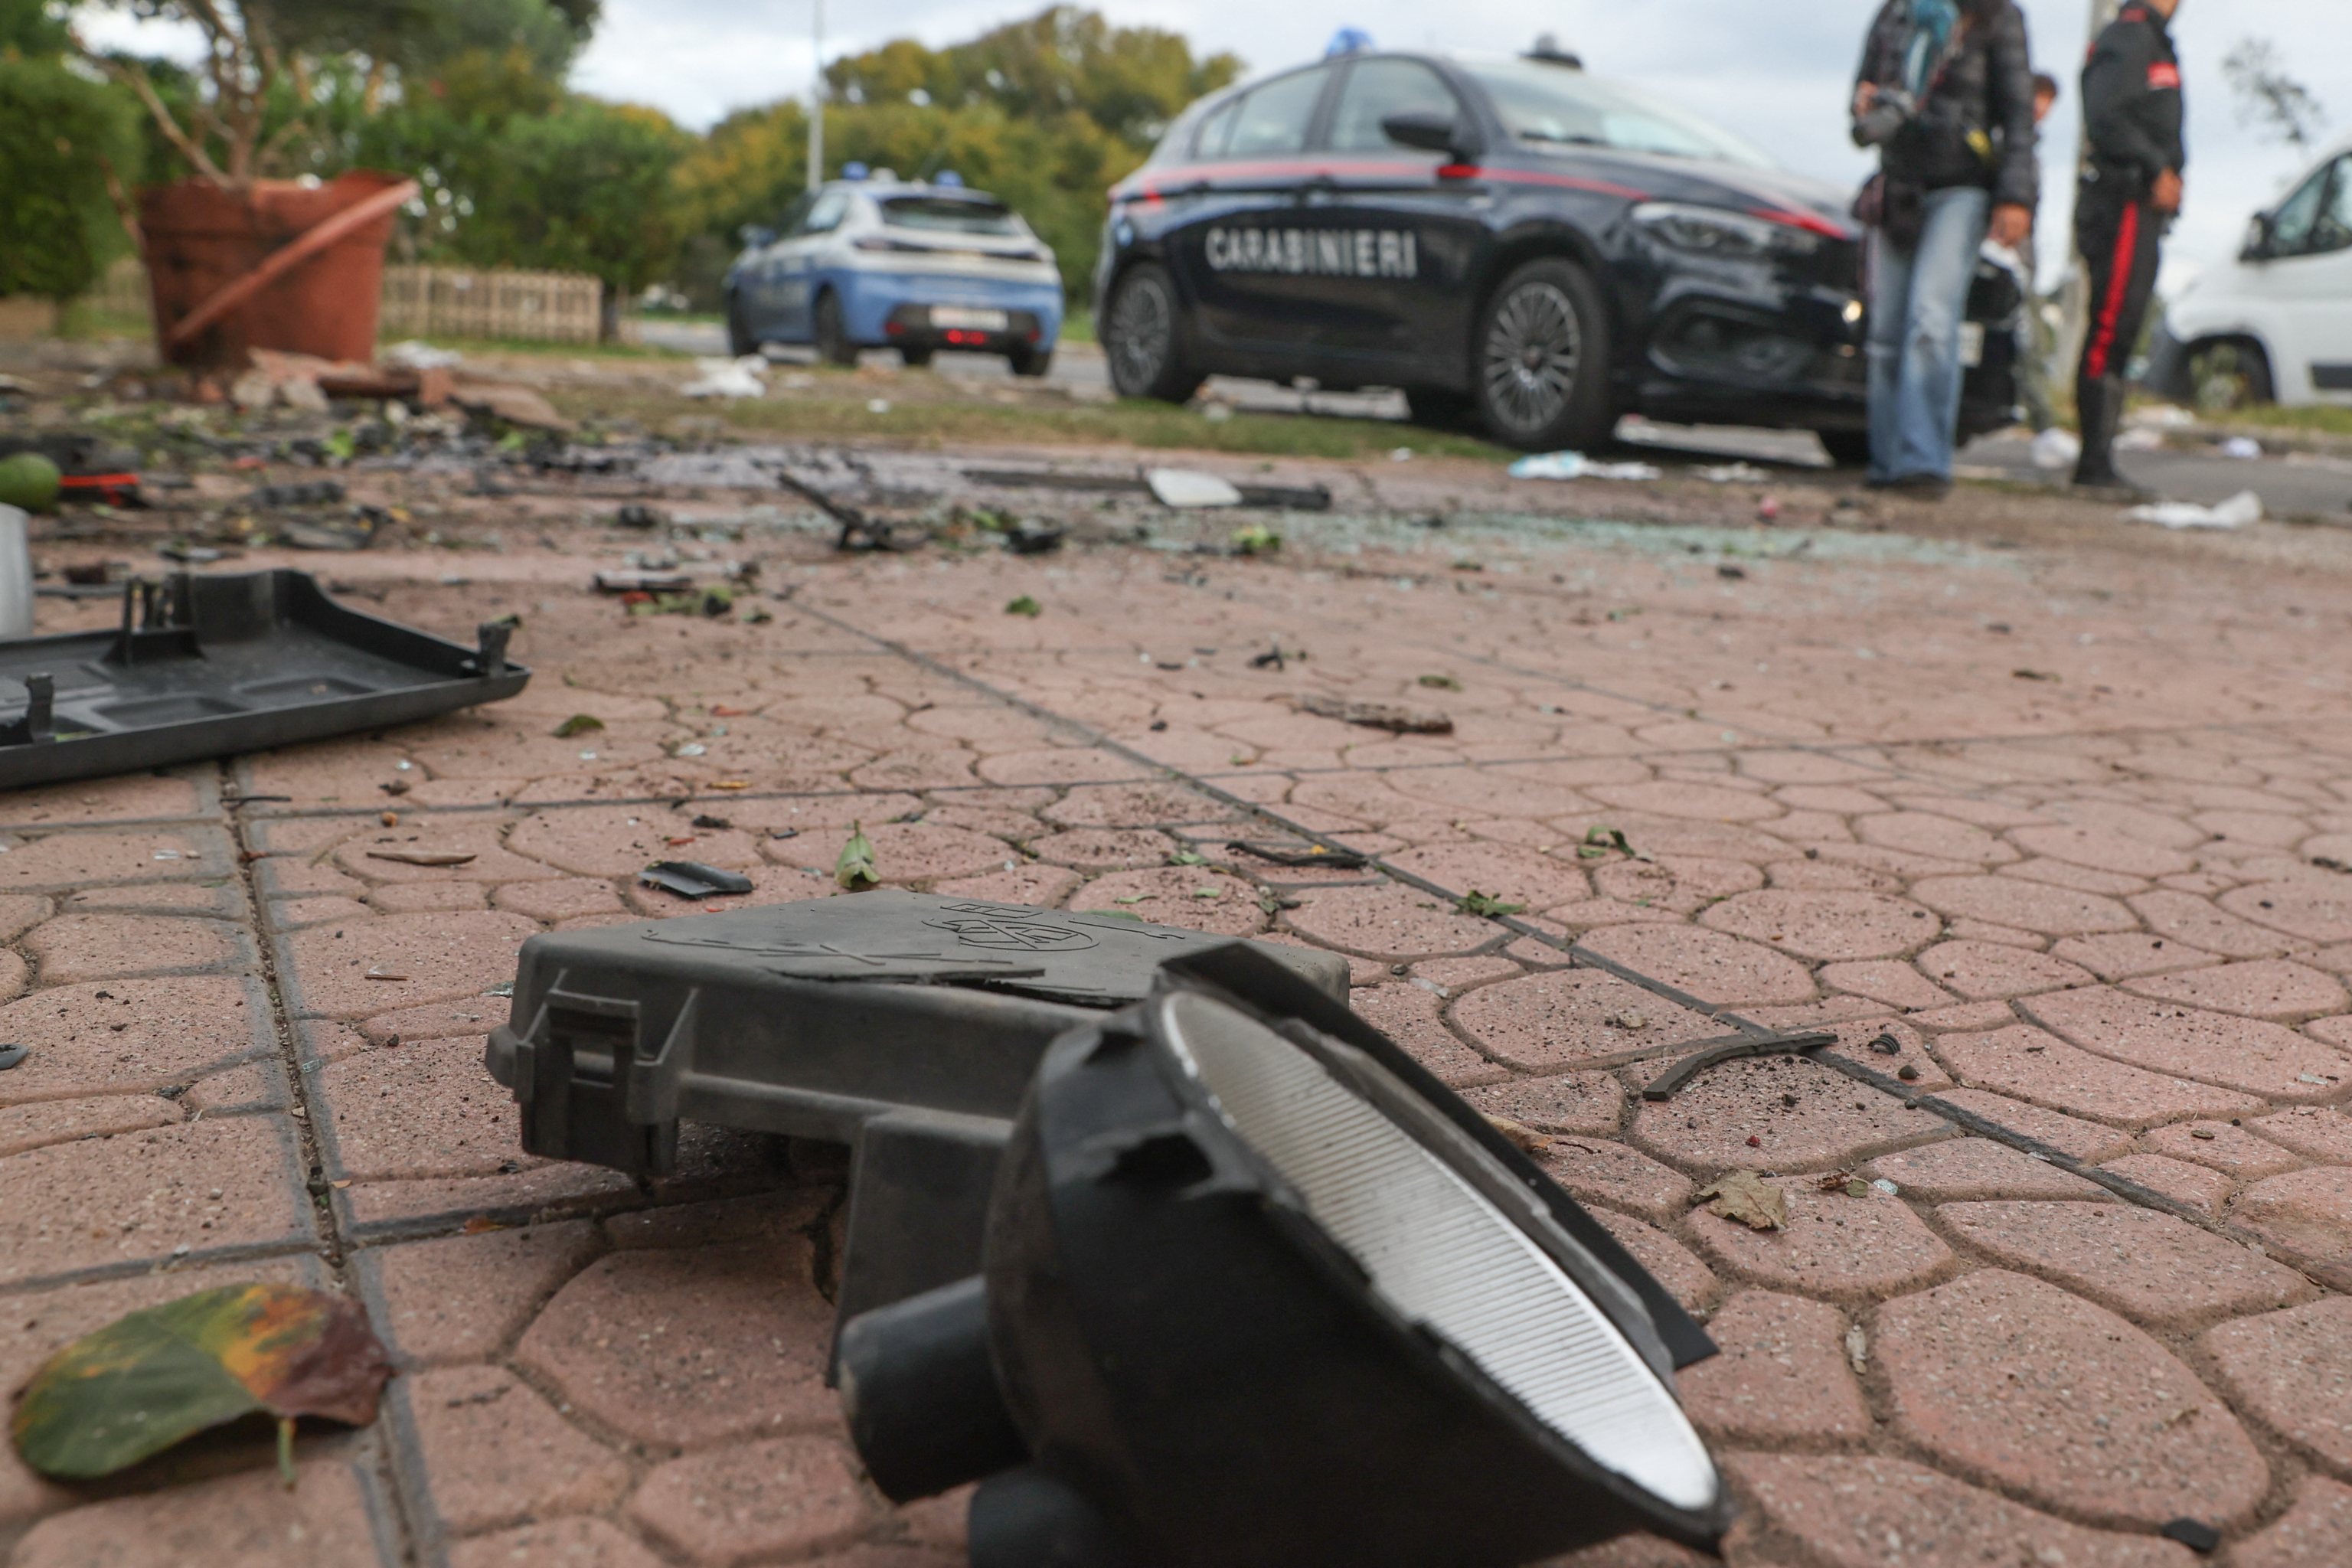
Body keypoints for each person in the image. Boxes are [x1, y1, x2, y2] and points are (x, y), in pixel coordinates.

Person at [1851, 0, 2040, 498]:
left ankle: (1923, 461)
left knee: (1931, 318)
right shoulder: (1895, 13)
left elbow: (2020, 115)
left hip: (1962, 184)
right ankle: (1887, 460)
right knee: (1887, 328)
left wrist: (2017, 196)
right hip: (1900, 184)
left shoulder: (1998, 16)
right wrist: (1866, 104)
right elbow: (1865, 88)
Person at [2073, 0, 2185, 493]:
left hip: (2144, 208)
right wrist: (2154, 165)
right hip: (2121, 199)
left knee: (2126, 327)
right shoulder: (2130, 35)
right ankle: (2092, 462)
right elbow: (2104, 115)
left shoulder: (2158, 42)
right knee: (2110, 327)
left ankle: (2102, 455)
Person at [2014, 73, 2063, 438]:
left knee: (2031, 341)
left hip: (2024, 255)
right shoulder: (2011, 142)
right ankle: (2042, 421)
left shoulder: (2030, 148)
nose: (2040, 108)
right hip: (2005, 252)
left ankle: (2043, 423)